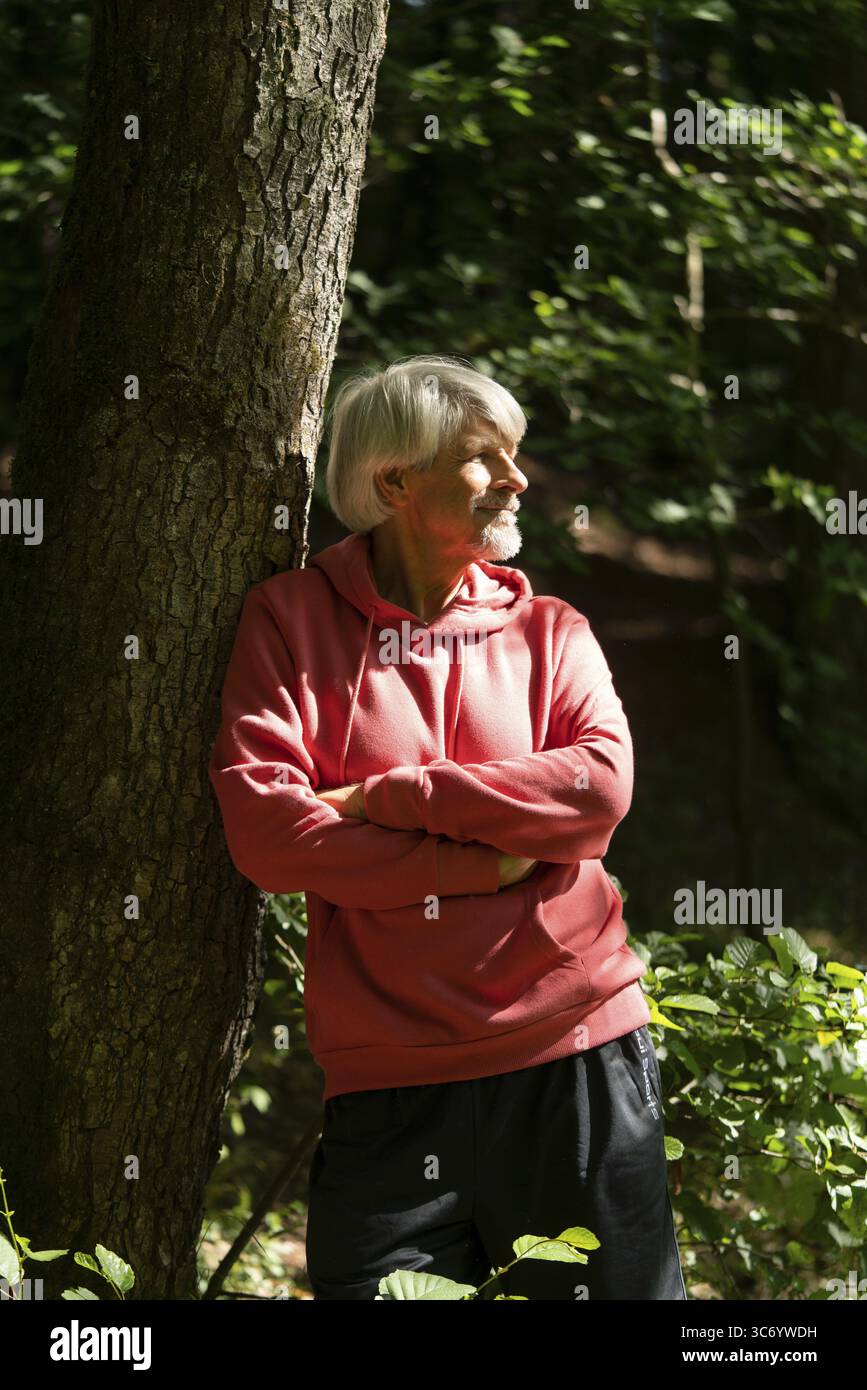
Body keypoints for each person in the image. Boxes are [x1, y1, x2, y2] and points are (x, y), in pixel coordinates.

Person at [208, 354, 687, 1301]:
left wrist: (395, 796)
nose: (516, 480)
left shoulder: (550, 630)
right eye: (484, 458)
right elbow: (269, 840)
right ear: (394, 482)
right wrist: (496, 861)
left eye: (515, 455)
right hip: (388, 1085)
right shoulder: (290, 621)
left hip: (576, 1054)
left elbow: (598, 792)